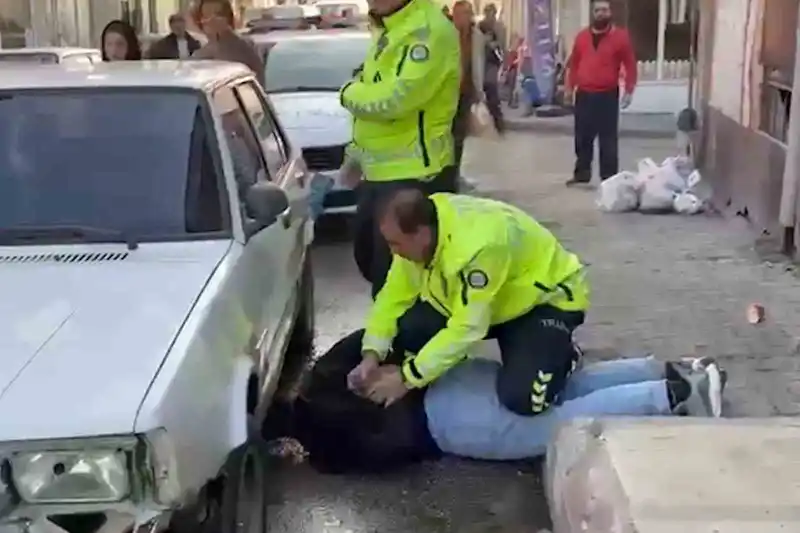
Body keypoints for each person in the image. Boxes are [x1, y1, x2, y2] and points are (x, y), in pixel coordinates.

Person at [266, 329, 727, 474]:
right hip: (452, 377)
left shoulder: (324, 451)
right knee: (560, 391)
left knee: (558, 426)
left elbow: (385, 458)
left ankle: (674, 395)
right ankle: (661, 370)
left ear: (286, 439)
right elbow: (379, 333)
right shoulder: (325, 370)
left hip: (447, 422)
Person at [349, 190, 590, 416]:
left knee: (526, 400)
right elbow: (391, 299)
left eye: (396, 243)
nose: (393, 252)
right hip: (492, 303)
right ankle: (450, 372)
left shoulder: (478, 248)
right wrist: (372, 354)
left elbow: (468, 327)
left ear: (421, 233)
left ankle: (564, 355)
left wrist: (407, 378)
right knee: (408, 329)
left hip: (541, 304)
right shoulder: (424, 228)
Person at [339, 0, 461, 297]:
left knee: (403, 289)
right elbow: (375, 97)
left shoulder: (427, 31)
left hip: (416, 176)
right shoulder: (390, 27)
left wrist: (347, 92)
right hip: (379, 177)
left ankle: (407, 329)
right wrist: (355, 155)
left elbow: (394, 100)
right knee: (371, 264)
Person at [564, 0, 636, 186]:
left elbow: (630, 64)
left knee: (608, 139)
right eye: (597, 10)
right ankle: (582, 174)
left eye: (604, 10)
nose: (601, 13)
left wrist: (629, 90)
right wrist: (569, 88)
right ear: (593, 13)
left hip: (607, 95)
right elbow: (574, 64)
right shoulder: (582, 37)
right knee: (582, 137)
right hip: (584, 95)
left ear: (610, 12)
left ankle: (609, 178)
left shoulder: (620, 37)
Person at [441, 0, 486, 193]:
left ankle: (455, 175)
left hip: (466, 92)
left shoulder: (477, 37)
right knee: (445, 136)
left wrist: (479, 91)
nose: (463, 18)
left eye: (467, 14)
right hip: (445, 94)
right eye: (459, 14)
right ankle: (444, 175)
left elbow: (478, 64)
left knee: (459, 137)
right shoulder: (444, 34)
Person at [192, 0, 265, 83]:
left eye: (218, 14)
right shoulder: (200, 56)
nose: (212, 20)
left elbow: (259, 80)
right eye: (206, 16)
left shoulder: (245, 47)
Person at [478, 3, 506, 133]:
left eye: (492, 13)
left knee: (491, 88)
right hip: (480, 60)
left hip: (492, 61)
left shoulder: (498, 27)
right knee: (479, 89)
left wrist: (493, 44)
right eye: (487, 13)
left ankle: (498, 120)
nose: (489, 16)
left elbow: (501, 44)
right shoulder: (480, 26)